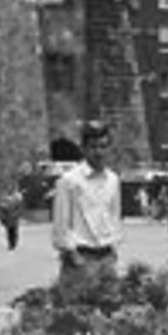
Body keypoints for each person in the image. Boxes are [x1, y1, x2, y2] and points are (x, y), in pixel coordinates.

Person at [52, 120, 124, 282]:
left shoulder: (113, 180)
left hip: (107, 257)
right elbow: (61, 225)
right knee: (76, 307)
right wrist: (72, 254)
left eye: (103, 146)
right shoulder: (68, 181)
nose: (99, 152)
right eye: (93, 147)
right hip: (80, 256)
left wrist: (113, 249)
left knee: (112, 305)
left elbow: (114, 216)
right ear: (83, 148)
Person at [0, 181, 23, 250]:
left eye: (11, 188)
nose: (10, 189)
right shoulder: (4, 198)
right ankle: (10, 243)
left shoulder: (17, 197)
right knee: (9, 232)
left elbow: (19, 208)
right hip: (8, 218)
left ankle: (14, 242)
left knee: (14, 231)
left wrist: (17, 214)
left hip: (14, 218)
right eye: (8, 188)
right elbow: (2, 208)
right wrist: (2, 217)